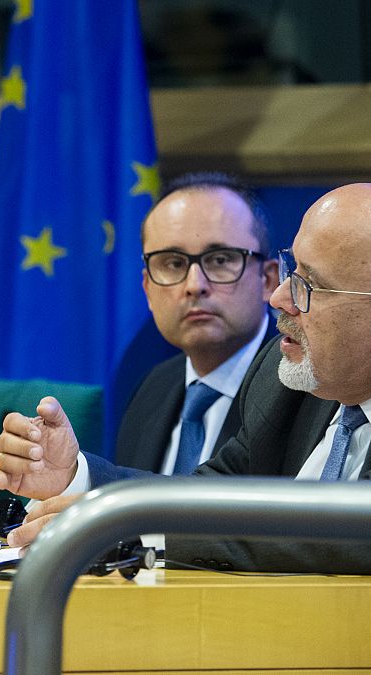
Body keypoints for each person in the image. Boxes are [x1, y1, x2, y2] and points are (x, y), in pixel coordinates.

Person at [0, 183, 371, 673]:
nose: (279, 298)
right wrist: (84, 483)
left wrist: (137, 530)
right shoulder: (304, 364)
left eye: (309, 285)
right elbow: (223, 491)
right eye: (291, 269)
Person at [115, 172, 277, 473]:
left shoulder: (298, 391)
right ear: (148, 290)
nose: (194, 285)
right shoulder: (153, 387)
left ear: (268, 280)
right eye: (173, 263)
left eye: (219, 260)